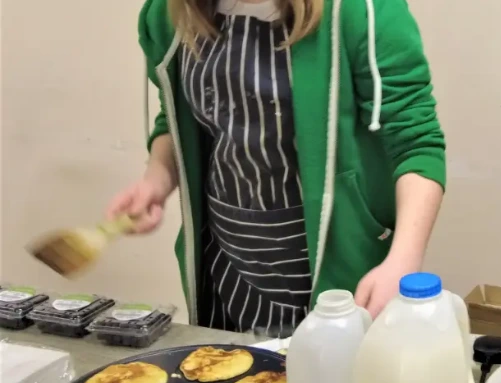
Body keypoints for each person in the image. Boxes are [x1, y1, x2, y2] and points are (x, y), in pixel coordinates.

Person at [108, 0, 446, 337]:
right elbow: (177, 117)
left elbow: (417, 144)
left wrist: (403, 260)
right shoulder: (171, 15)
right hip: (226, 262)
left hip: (331, 267)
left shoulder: (363, 10)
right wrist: (157, 178)